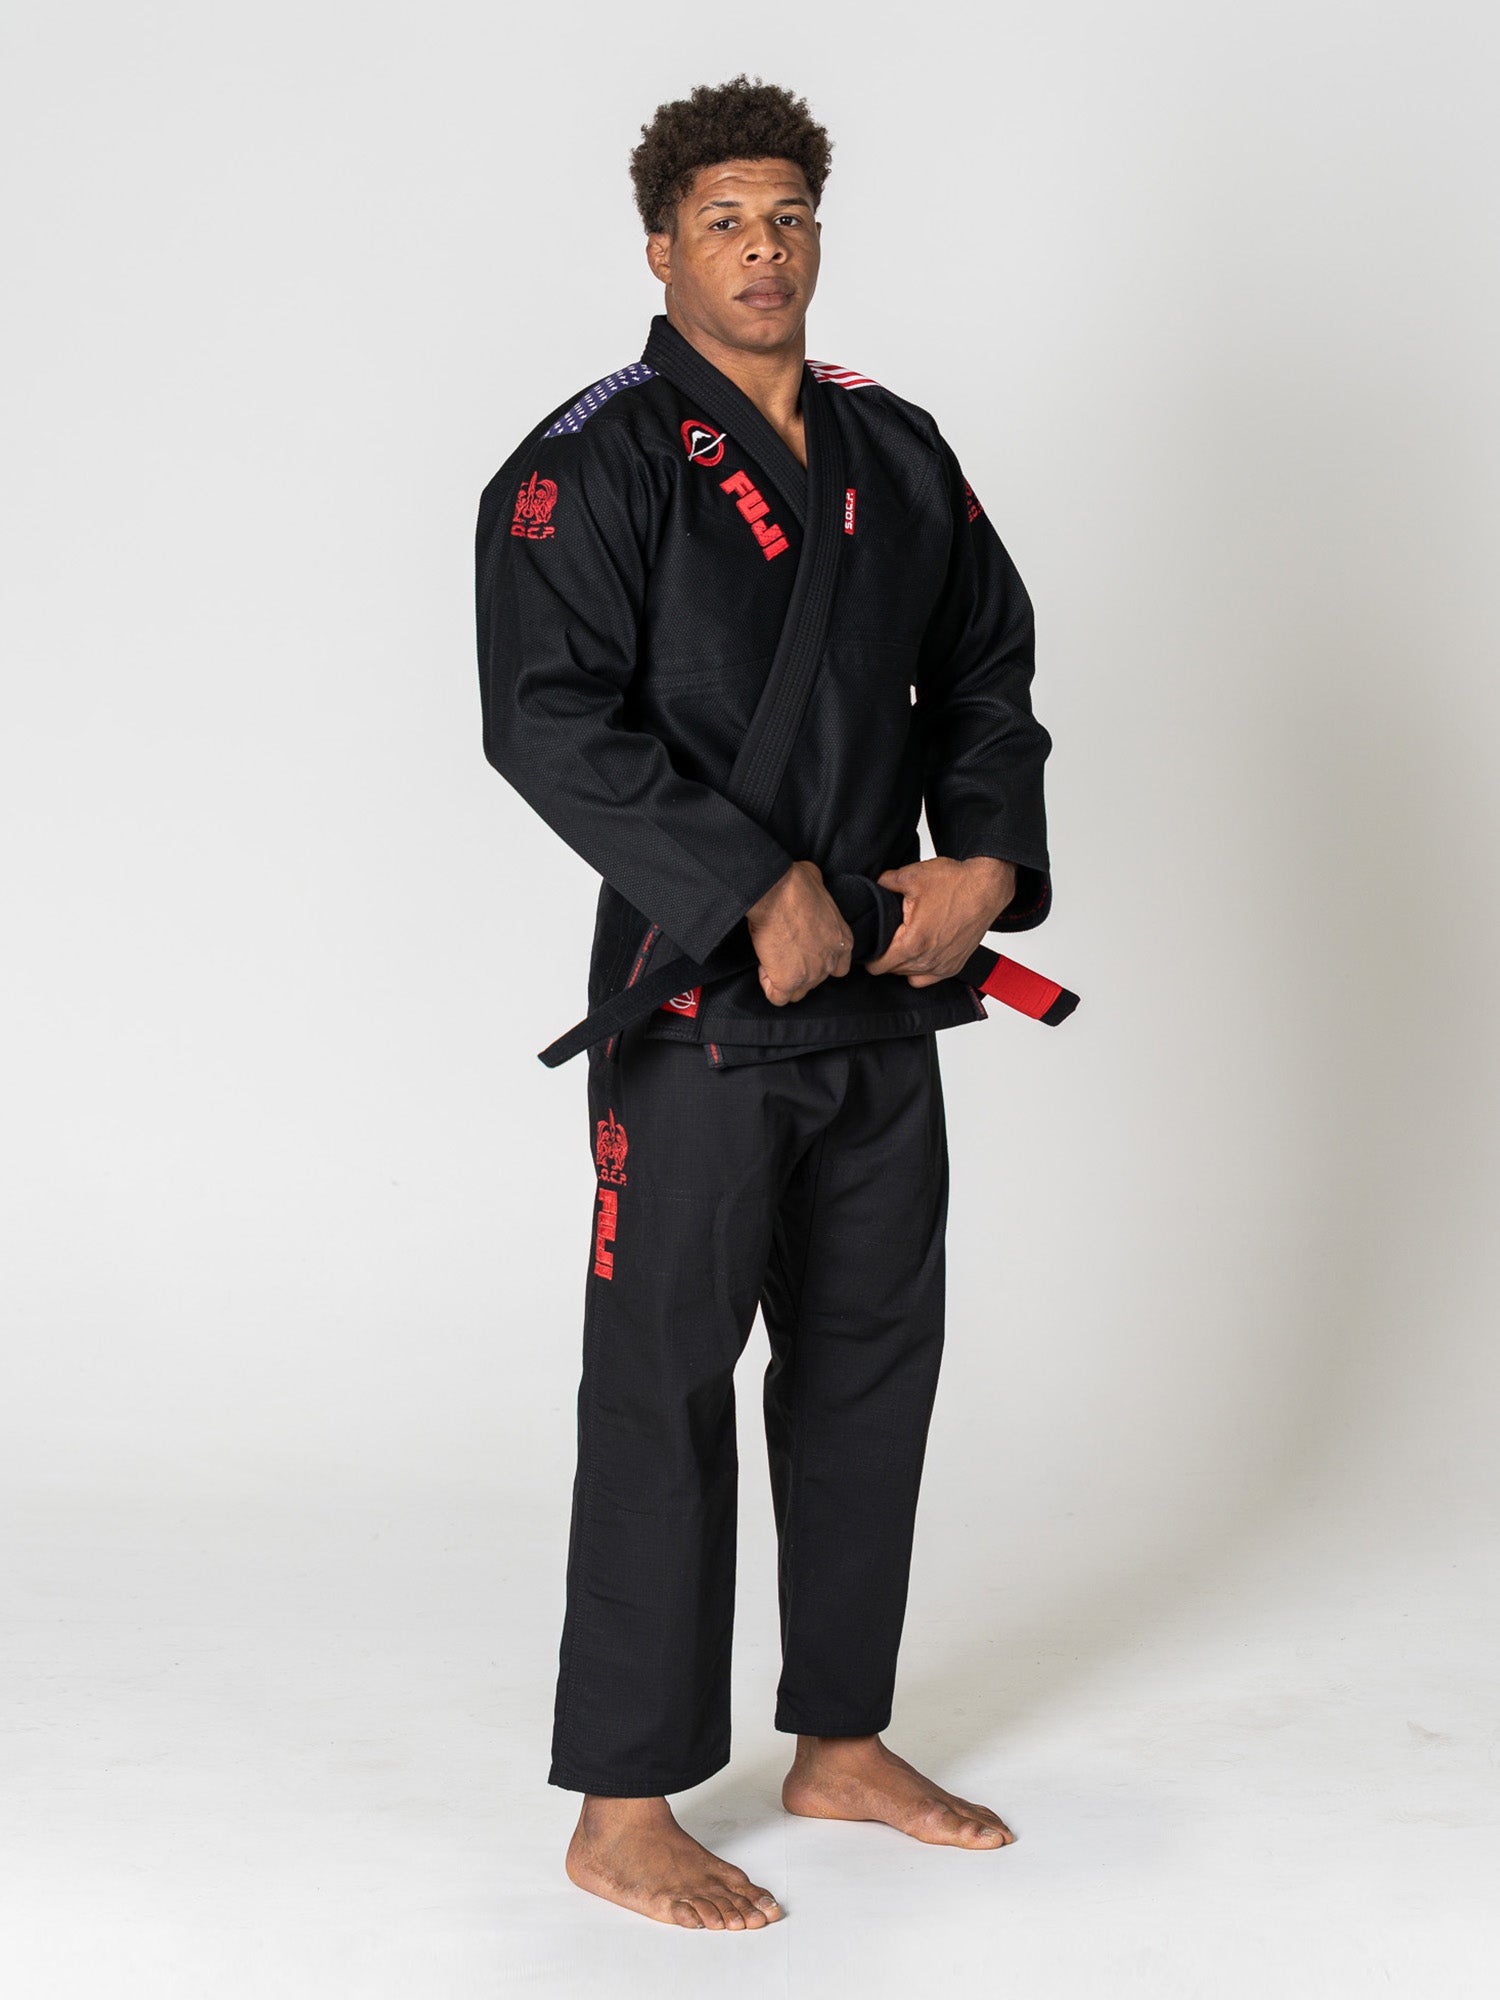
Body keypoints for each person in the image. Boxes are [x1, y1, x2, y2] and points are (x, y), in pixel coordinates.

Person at [474, 74, 1055, 1931]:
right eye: (725, 219)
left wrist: (981, 865)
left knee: (874, 1370)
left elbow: (987, 670)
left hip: (884, 999)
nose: (762, 246)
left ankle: (840, 1738)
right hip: (702, 1011)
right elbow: (546, 716)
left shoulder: (897, 450)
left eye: (788, 215)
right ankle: (623, 1800)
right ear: (660, 249)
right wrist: (749, 887)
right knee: (663, 1392)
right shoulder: (595, 458)